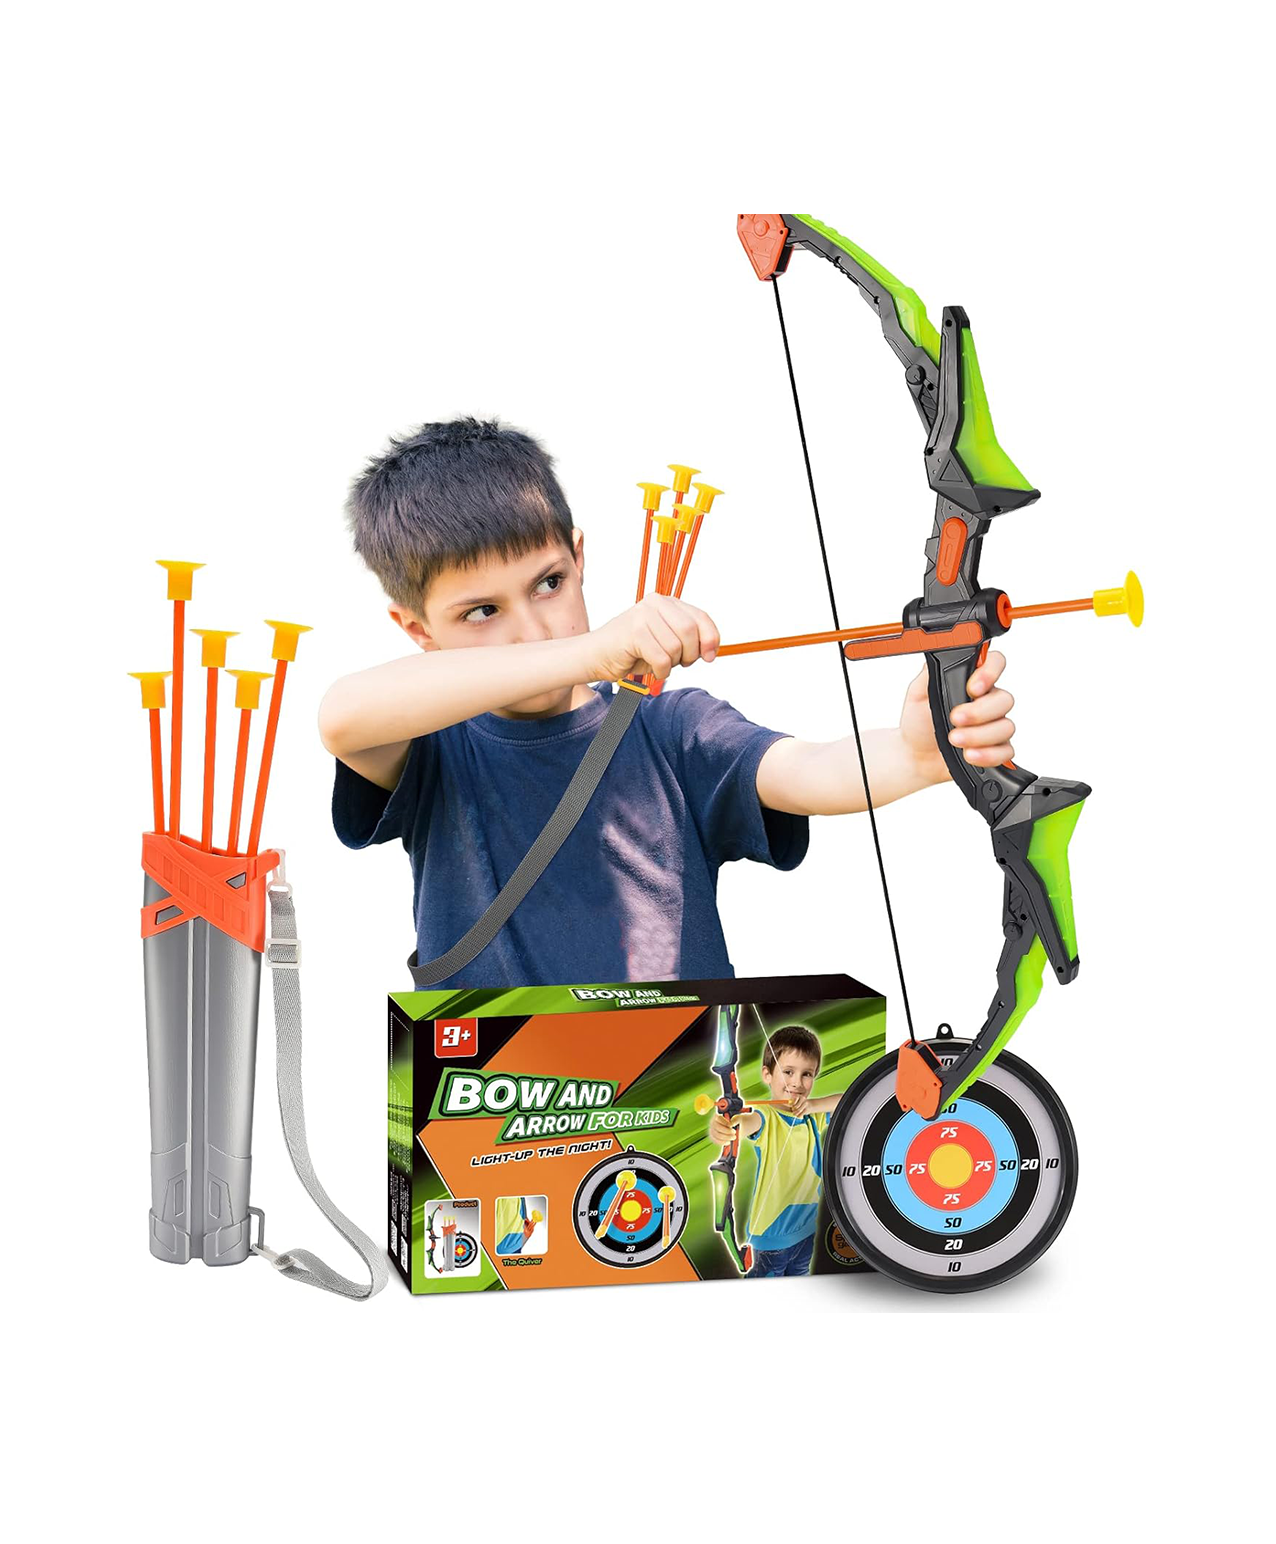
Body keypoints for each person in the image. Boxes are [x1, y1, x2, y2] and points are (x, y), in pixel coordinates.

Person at [319, 417, 1016, 986]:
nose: (532, 629)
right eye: (481, 612)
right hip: (492, 1104)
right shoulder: (433, 745)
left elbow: (807, 769)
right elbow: (343, 716)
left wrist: (915, 754)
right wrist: (587, 652)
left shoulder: (672, 730)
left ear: (579, 558)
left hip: (676, 1087)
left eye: (549, 583)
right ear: (418, 630)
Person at [703, 1022, 837, 1278]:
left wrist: (812, 1105)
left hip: (805, 1233)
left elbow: (848, 1101)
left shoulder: (813, 1116)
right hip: (769, 1243)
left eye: (807, 1074)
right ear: (767, 1074)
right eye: (788, 1072)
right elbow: (742, 1123)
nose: (797, 1082)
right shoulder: (766, 1117)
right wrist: (724, 1125)